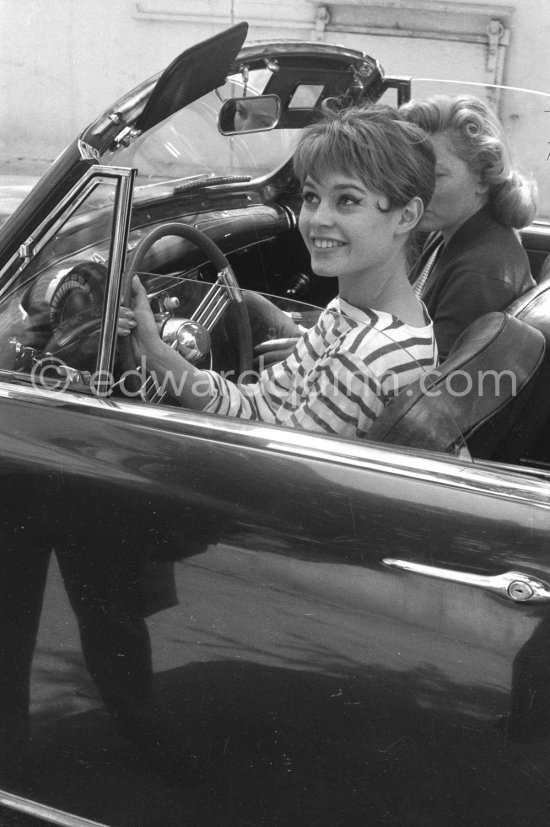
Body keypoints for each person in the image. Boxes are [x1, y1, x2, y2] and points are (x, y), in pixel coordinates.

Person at [119, 104, 438, 439]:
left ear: (405, 216)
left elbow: (279, 472)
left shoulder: (365, 357)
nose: (318, 219)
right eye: (312, 197)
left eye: (347, 200)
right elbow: (259, 409)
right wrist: (157, 352)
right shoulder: (361, 315)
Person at [400, 93, 537, 361]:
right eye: (413, 174)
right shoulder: (445, 233)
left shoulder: (480, 271)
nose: (417, 191)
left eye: (436, 175)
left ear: (483, 177)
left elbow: (433, 385)